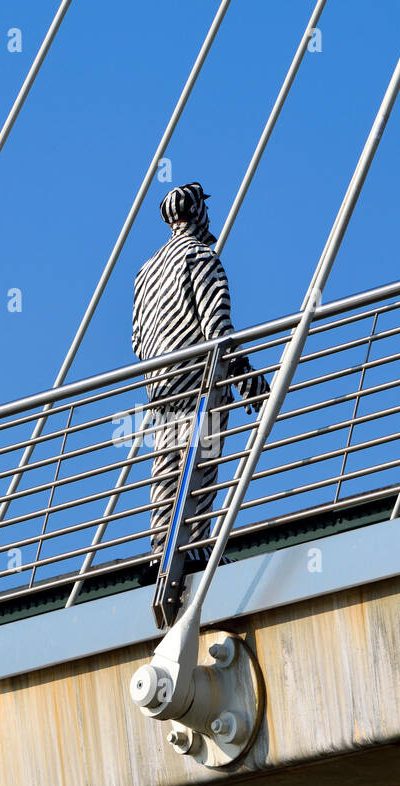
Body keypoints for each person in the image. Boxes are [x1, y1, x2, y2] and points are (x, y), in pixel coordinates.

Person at [132, 182, 269, 570]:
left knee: (166, 469)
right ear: (198, 214)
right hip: (198, 380)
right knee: (200, 462)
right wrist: (248, 380)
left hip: (158, 384)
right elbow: (218, 331)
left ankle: (161, 551)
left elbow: (137, 339)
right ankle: (194, 547)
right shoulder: (200, 258)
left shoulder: (145, 272)